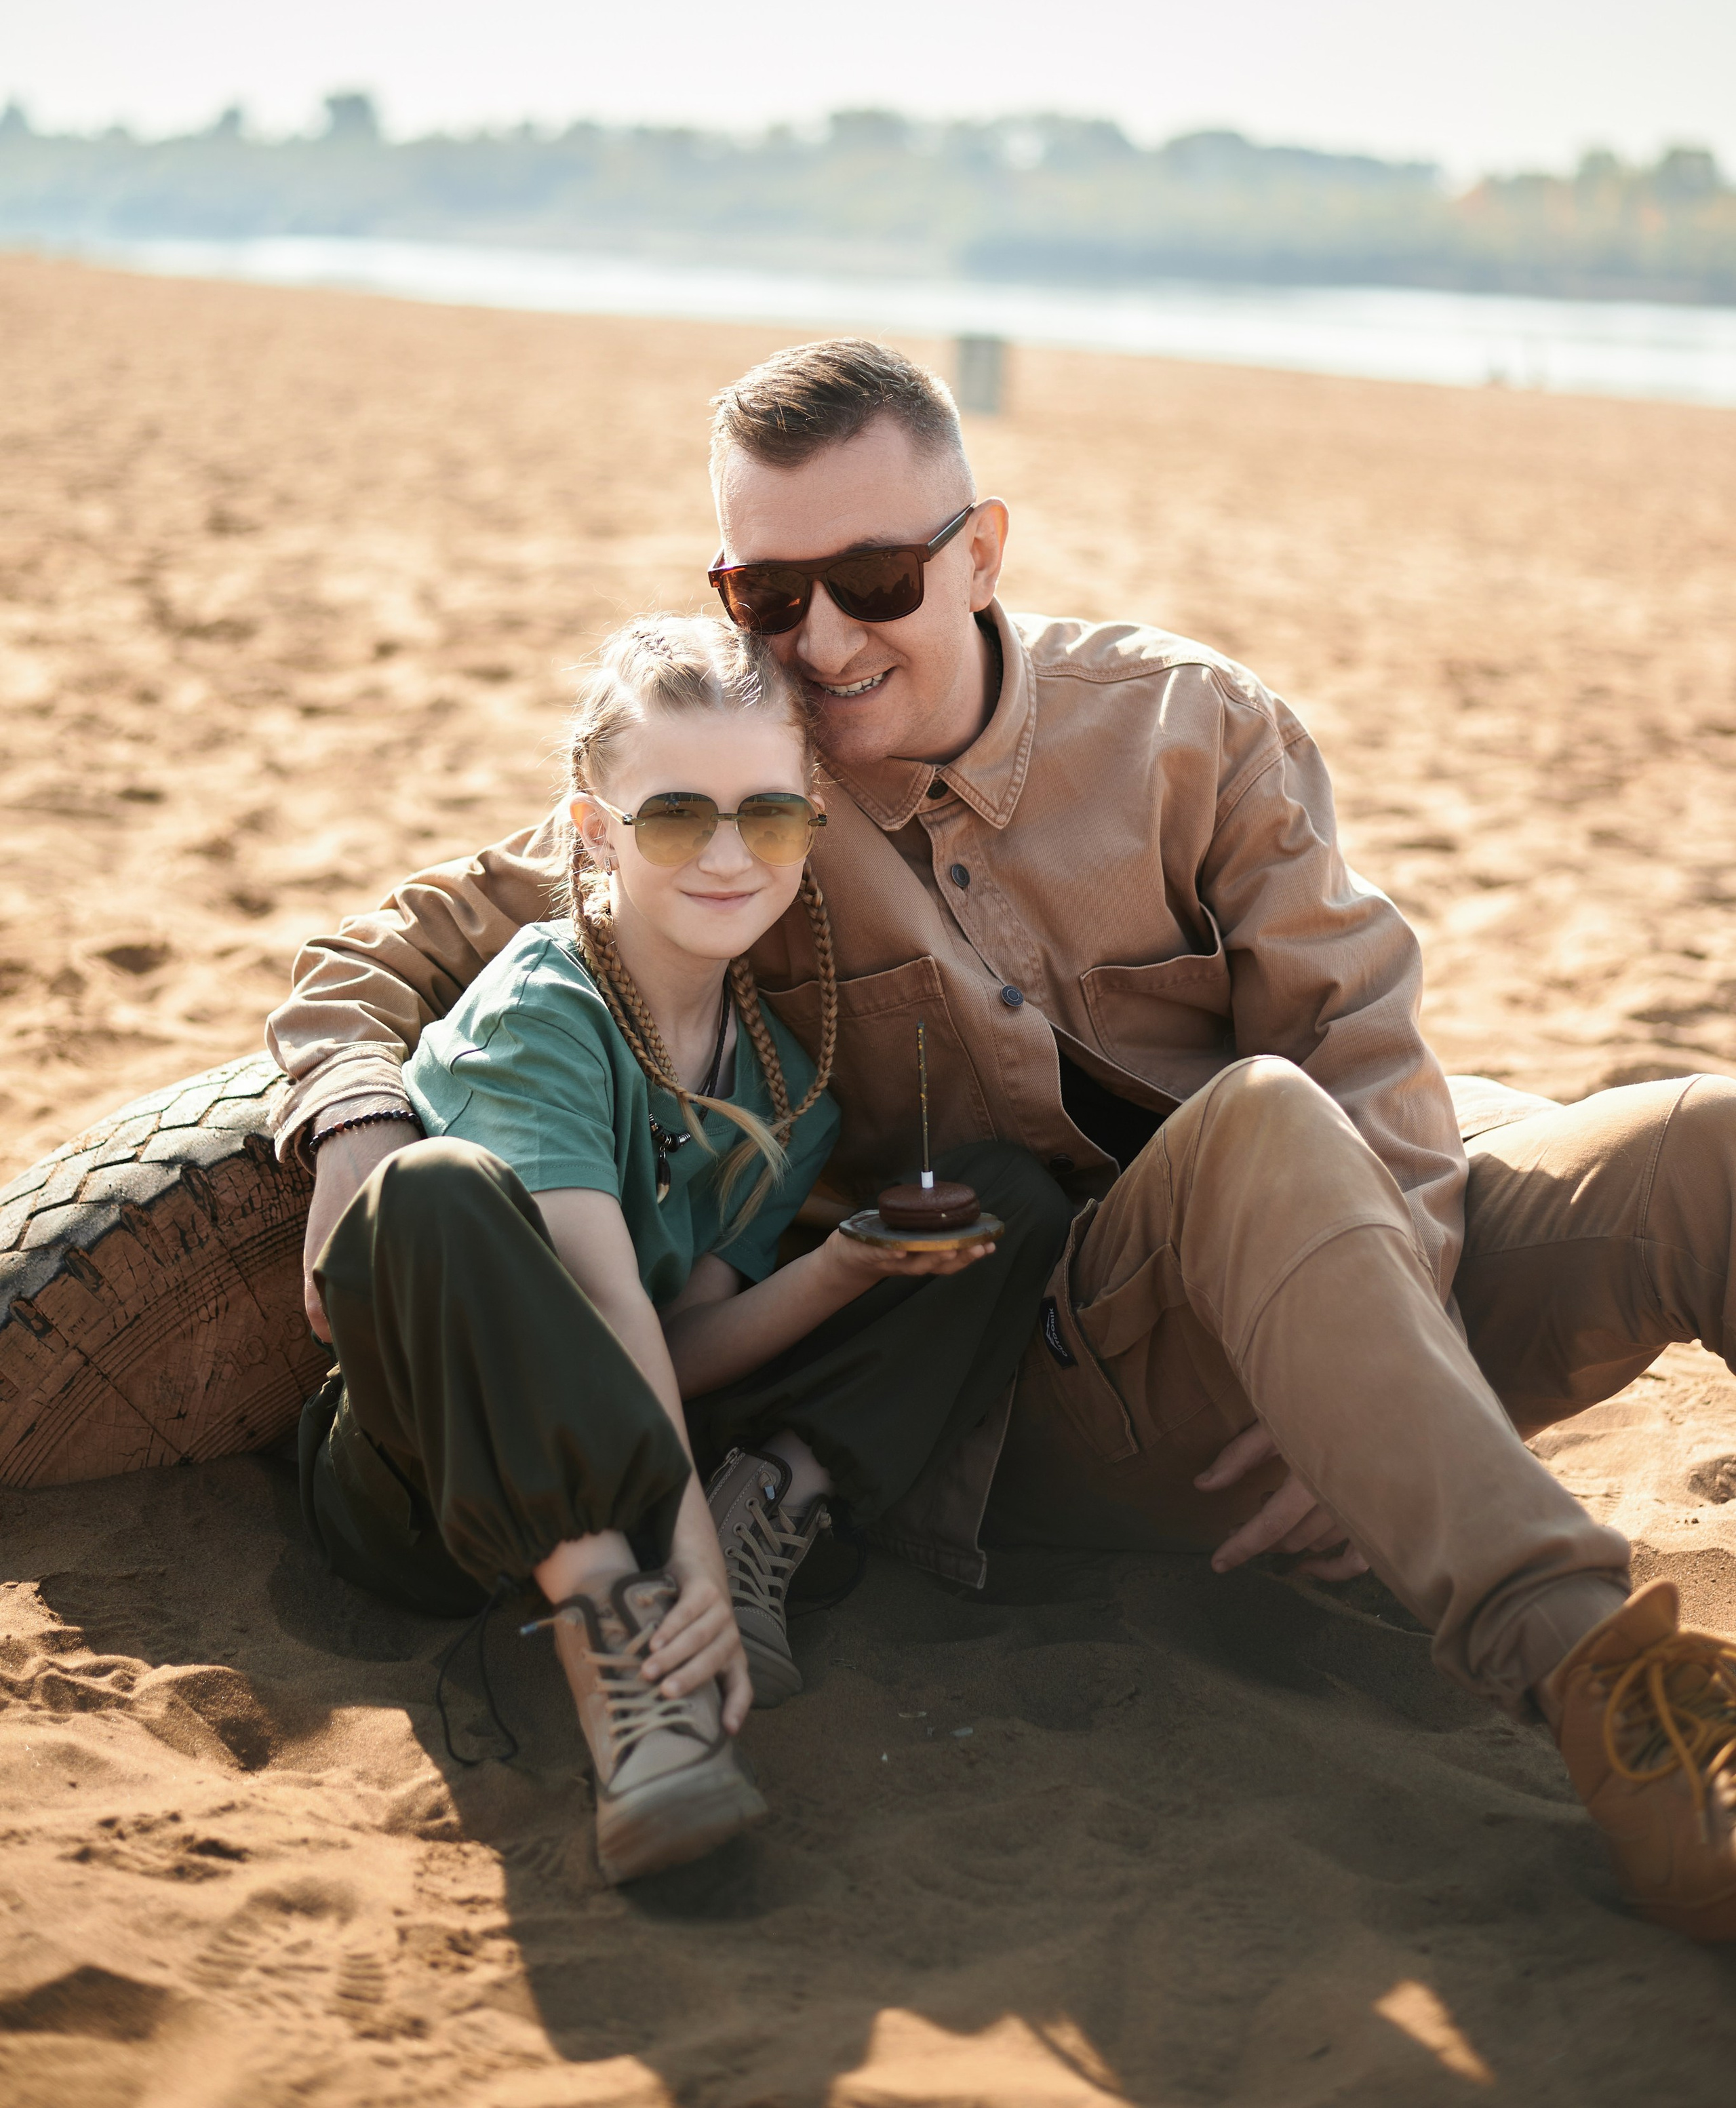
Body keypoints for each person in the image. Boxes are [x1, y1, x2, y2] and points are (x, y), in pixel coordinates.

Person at [272, 340, 1736, 1944]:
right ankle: (1597, 1680)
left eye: (876, 576)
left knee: (1706, 1140)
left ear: (978, 553)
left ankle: (1420, 1448)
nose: (823, 639)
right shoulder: (748, 801)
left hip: (1341, 1278)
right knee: (1259, 1123)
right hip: (1062, 1357)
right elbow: (388, 945)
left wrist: (1379, 1372)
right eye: (768, 594)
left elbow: (1364, 1032)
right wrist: (352, 1124)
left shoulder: (1187, 724)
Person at [297, 611, 1065, 1884]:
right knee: (435, 1194)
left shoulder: (786, 1079)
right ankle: (632, 1652)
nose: (726, 856)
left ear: (810, 827)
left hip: (642, 1443)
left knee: (1001, 1206)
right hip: (433, 1487)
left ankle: (770, 1501)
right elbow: (600, 1305)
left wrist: (844, 1269)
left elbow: (676, 1348)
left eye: (767, 816)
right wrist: (679, 1565)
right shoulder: (548, 1004)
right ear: (597, 832)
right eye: (673, 818)